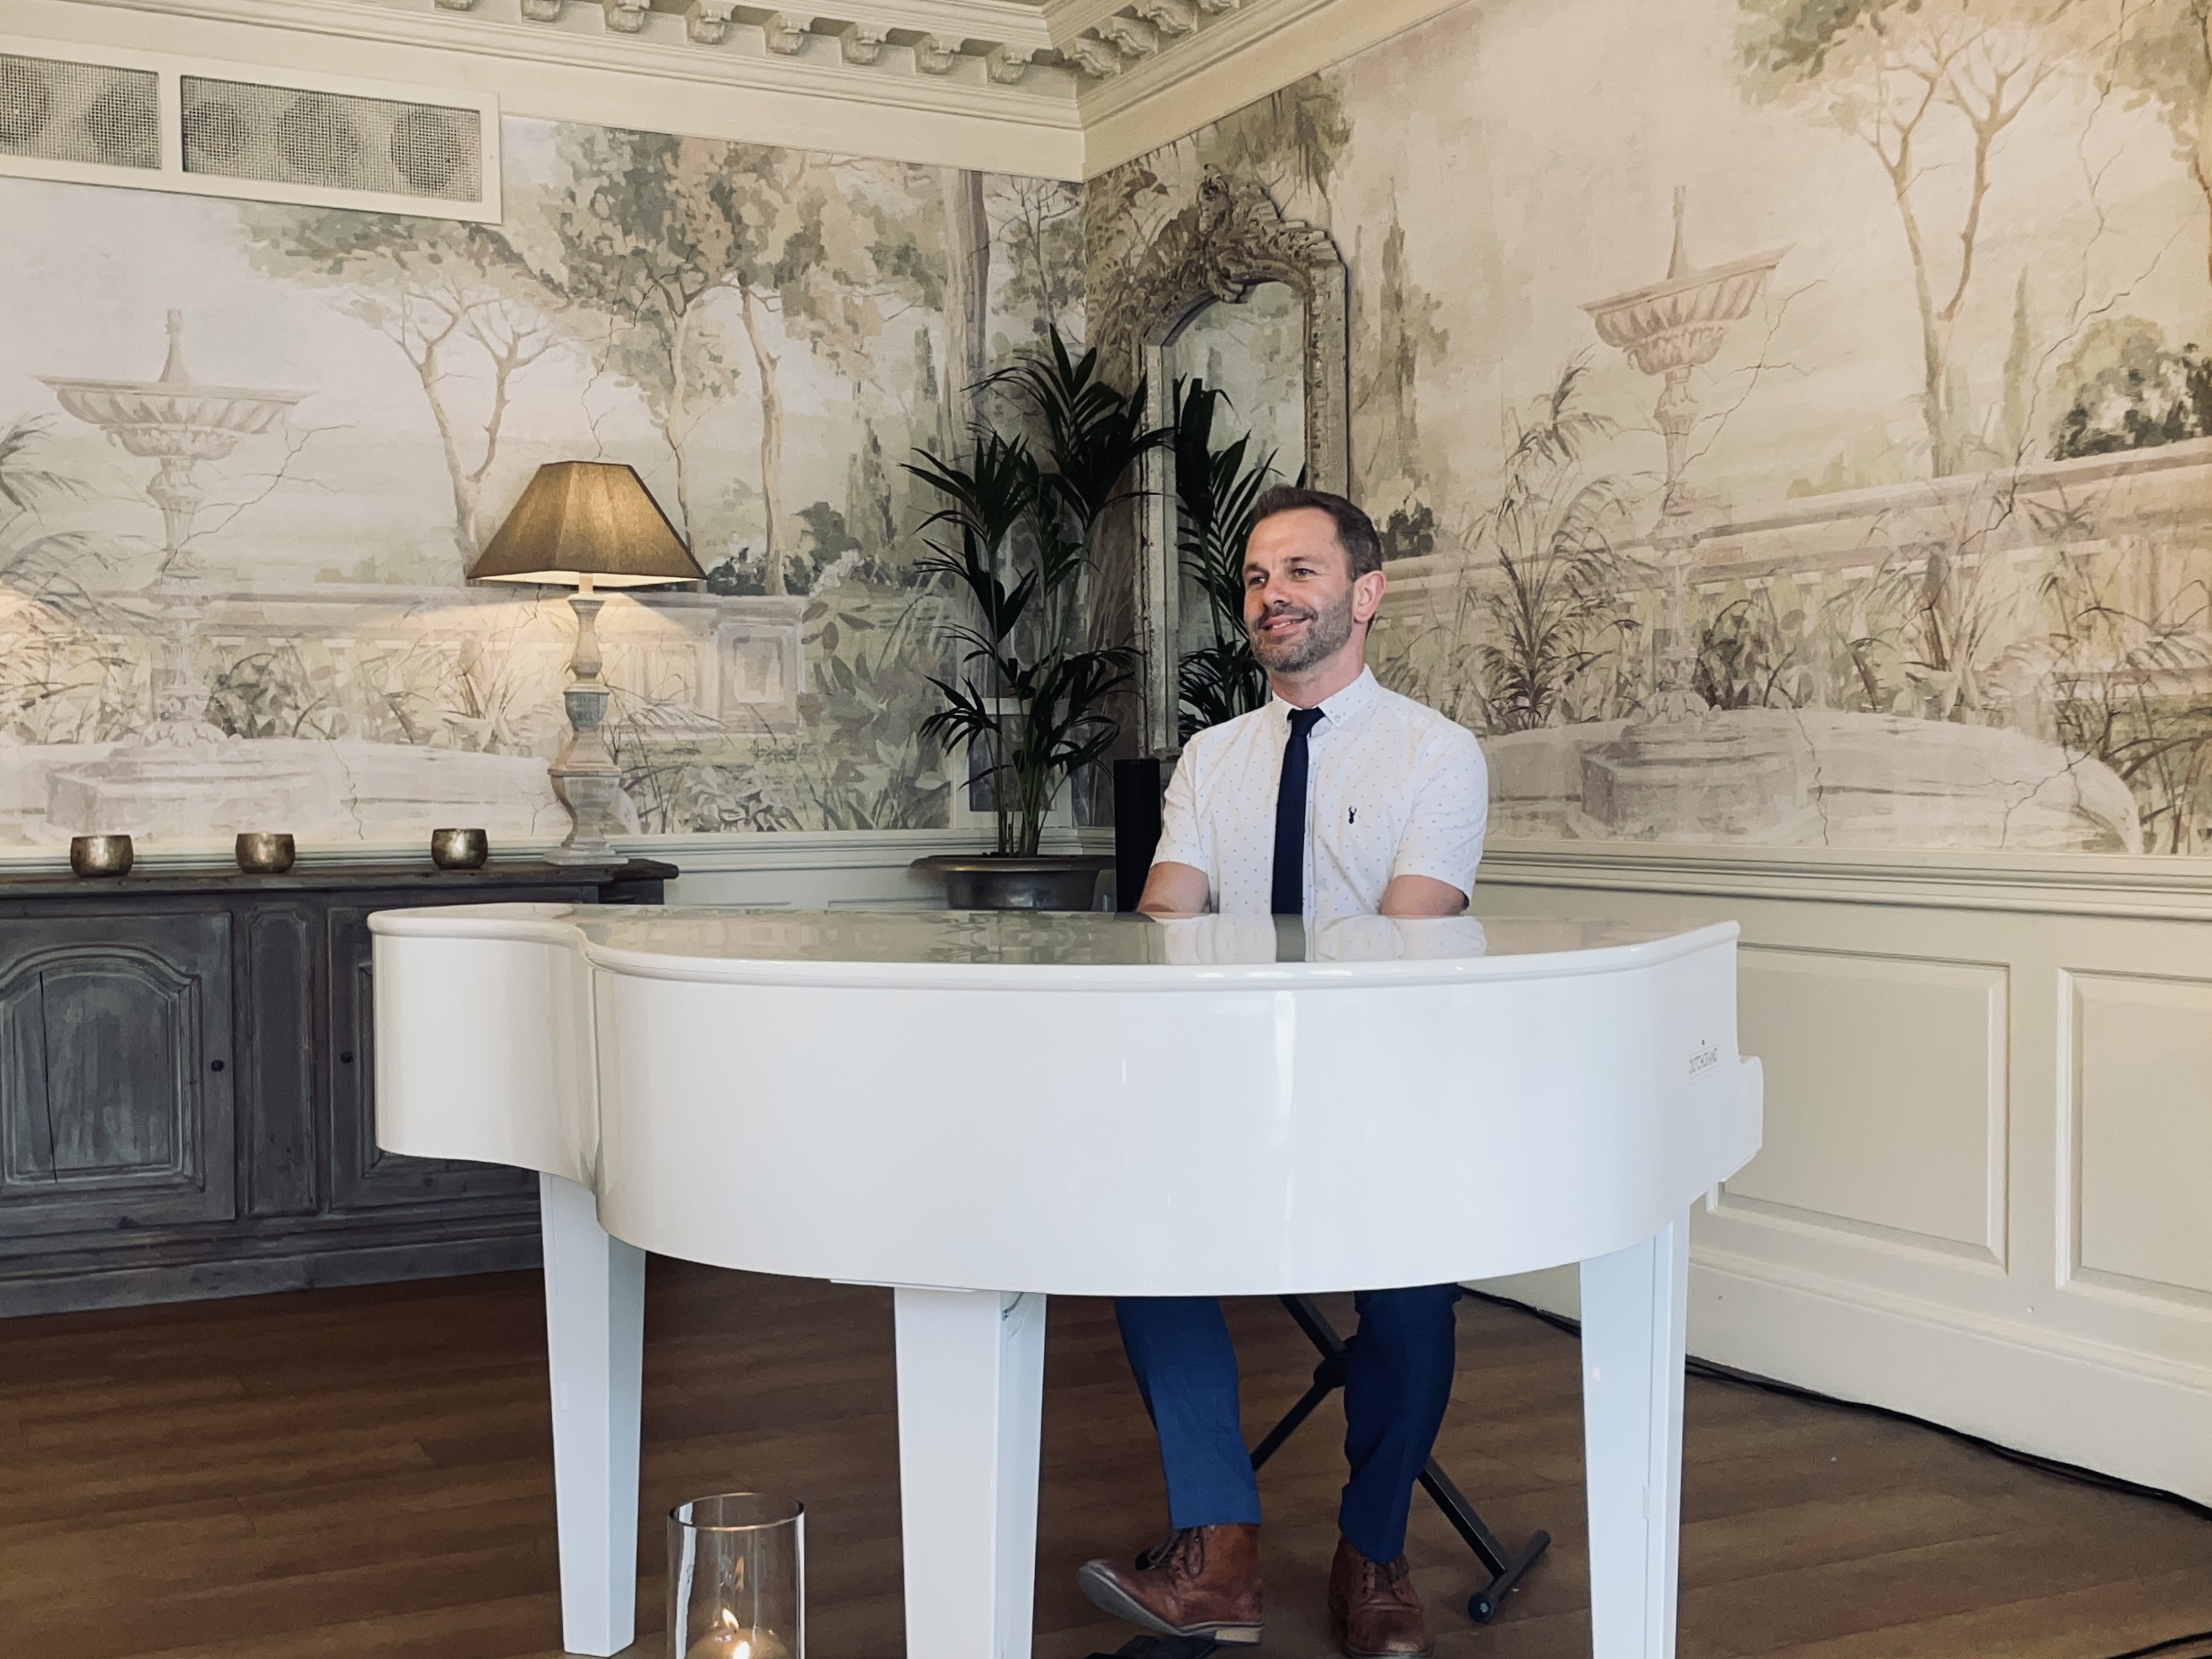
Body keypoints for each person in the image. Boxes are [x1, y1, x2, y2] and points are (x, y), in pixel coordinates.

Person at [1077, 486, 1488, 1659]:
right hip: (1228, 1084)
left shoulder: (1434, 755)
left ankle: (1374, 1552)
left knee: (1409, 1297)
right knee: (1139, 1244)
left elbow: (1403, 946)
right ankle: (1219, 1550)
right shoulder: (1210, 759)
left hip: (1378, 1091)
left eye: (1300, 572)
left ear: (1364, 595)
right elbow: (1167, 920)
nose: (1272, 597)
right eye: (1257, 578)